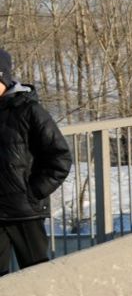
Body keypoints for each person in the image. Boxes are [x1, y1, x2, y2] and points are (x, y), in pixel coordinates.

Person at [0, 49, 72, 275]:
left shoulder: (29, 110)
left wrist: (33, 193)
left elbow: (59, 157)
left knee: (37, 279)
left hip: (26, 213)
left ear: (4, 78)